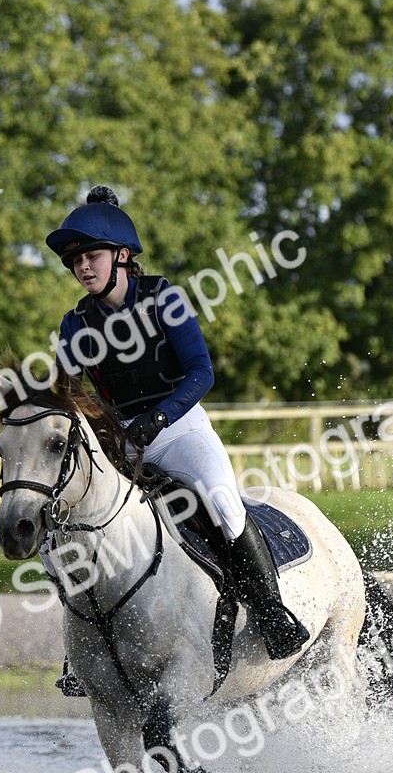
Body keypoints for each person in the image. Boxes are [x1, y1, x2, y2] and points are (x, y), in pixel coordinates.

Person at [45, 185, 309, 660]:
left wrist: (156, 418)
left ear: (122, 256)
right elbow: (68, 391)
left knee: (224, 503)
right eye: (73, 261)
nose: (81, 267)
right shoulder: (74, 323)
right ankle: (85, 648)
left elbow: (201, 372)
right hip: (118, 446)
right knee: (71, 524)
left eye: (91, 255)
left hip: (179, 429)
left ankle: (272, 613)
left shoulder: (163, 297)